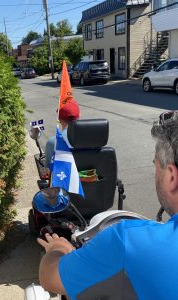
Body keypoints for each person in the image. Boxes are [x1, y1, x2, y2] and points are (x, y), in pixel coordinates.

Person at [38, 111, 178, 299]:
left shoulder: (127, 242)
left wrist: (58, 249)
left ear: (172, 176)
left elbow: (50, 278)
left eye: (156, 166)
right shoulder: (107, 155)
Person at [45, 100, 80, 168]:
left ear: (60, 120)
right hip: (90, 176)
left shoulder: (53, 142)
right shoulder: (91, 139)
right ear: (79, 117)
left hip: (65, 177)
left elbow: (48, 169)